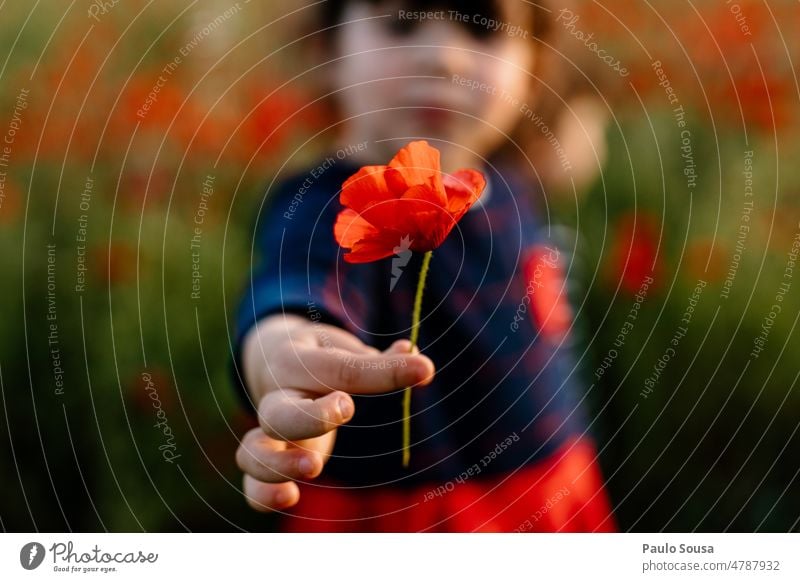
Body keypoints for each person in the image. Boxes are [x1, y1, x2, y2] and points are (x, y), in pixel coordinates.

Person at [232, 0, 616, 532]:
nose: (446, 61)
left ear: (532, 70)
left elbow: (566, 154)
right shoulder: (326, 207)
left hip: (556, 496)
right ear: (328, 50)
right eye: (401, 22)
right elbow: (295, 290)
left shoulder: (510, 183)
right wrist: (286, 356)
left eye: (485, 31)